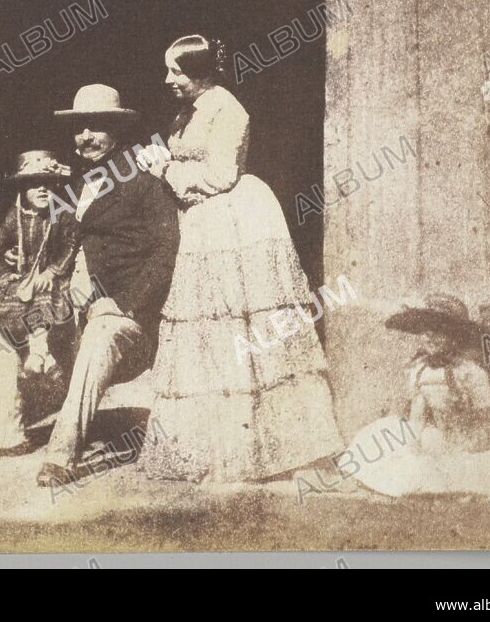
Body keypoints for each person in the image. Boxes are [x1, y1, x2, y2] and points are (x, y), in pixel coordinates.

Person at [136, 34, 343, 482]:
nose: (168, 79)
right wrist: (162, 157)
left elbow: (220, 175)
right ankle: (209, 448)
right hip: (202, 223)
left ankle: (275, 448)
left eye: (177, 70)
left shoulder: (228, 109)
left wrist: (165, 168)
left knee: (244, 324)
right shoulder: (186, 112)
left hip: (234, 220)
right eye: (168, 70)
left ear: (203, 71)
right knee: (208, 329)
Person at [36, 84, 181, 488]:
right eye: (80, 128)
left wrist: (124, 305)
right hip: (73, 308)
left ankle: (61, 455)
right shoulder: (71, 189)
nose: (86, 137)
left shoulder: (145, 183)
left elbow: (165, 252)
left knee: (100, 335)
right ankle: (0, 431)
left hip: (128, 320)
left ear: (117, 130)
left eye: (97, 127)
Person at [0, 150, 79, 459]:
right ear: (22, 188)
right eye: (34, 184)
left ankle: (41, 354)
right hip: (20, 292)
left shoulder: (62, 213)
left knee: (40, 309)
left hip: (55, 291)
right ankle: (0, 433)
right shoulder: (14, 216)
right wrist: (8, 273)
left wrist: (52, 271)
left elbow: (72, 246)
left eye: (48, 183)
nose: (42, 190)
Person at [349, 295, 490, 498]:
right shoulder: (419, 371)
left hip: (469, 431)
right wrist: (415, 443)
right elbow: (418, 413)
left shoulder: (470, 373)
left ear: (455, 337)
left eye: (440, 331)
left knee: (473, 466)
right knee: (415, 453)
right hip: (436, 430)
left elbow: (483, 417)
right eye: (426, 330)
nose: (431, 337)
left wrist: (470, 441)